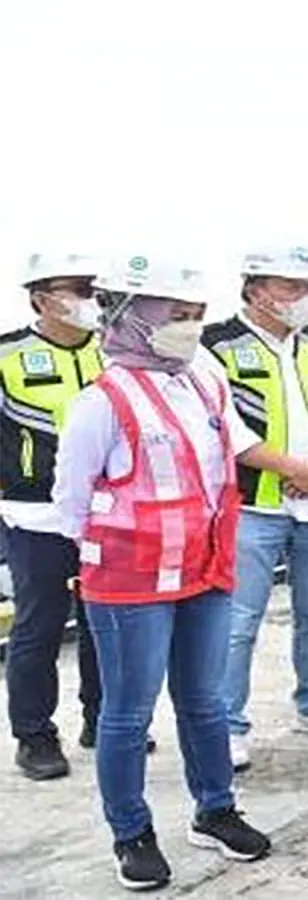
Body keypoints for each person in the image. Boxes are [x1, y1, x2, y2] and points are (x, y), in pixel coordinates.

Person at [53, 254, 308, 890]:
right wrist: (104, 560)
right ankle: (132, 833)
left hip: (203, 568)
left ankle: (215, 810)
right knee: (128, 711)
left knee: (204, 699)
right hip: (131, 581)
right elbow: (71, 501)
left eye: (196, 314)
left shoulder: (203, 380)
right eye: (176, 315)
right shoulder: (102, 401)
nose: (190, 327)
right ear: (134, 316)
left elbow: (230, 451)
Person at [203, 246, 308, 772]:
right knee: (238, 623)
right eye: (289, 286)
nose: (302, 296)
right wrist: (290, 469)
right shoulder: (215, 347)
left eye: (306, 286)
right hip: (253, 507)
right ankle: (228, 726)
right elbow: (226, 428)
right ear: (256, 290)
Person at [2, 252, 108, 780]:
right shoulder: (8, 355)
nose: (89, 300)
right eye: (77, 289)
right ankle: (35, 735)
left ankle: (103, 718)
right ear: (41, 298)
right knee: (39, 625)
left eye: (93, 289)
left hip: (106, 512)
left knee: (105, 622)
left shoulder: (113, 351)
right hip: (35, 515)